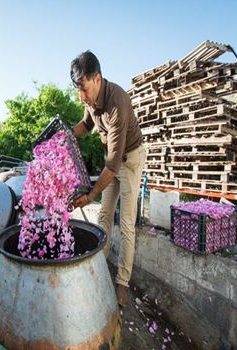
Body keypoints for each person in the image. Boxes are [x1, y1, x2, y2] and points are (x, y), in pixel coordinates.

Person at [71, 50, 146, 307]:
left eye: (84, 88)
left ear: (97, 79)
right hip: (111, 162)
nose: (81, 96)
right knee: (103, 215)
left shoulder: (117, 102)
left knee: (125, 223)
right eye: (77, 89)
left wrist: (90, 194)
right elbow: (86, 126)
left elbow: (114, 165)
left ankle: (122, 283)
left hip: (129, 160)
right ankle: (99, 267)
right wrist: (65, 136)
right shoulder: (90, 100)